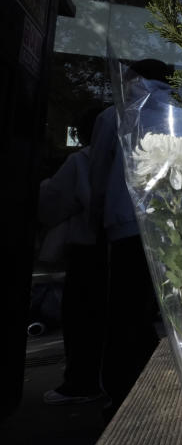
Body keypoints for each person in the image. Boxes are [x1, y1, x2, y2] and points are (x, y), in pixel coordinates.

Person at [89, 59, 173, 416]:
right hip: (171, 226)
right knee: (165, 306)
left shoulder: (114, 116)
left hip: (126, 226)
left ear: (134, 79)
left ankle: (121, 388)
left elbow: (97, 174)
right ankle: (164, 379)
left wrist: (96, 215)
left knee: (124, 309)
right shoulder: (178, 111)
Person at [37, 107, 107, 404]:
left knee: (81, 318)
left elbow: (53, 203)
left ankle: (81, 381)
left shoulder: (81, 161)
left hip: (86, 250)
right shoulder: (127, 157)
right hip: (116, 247)